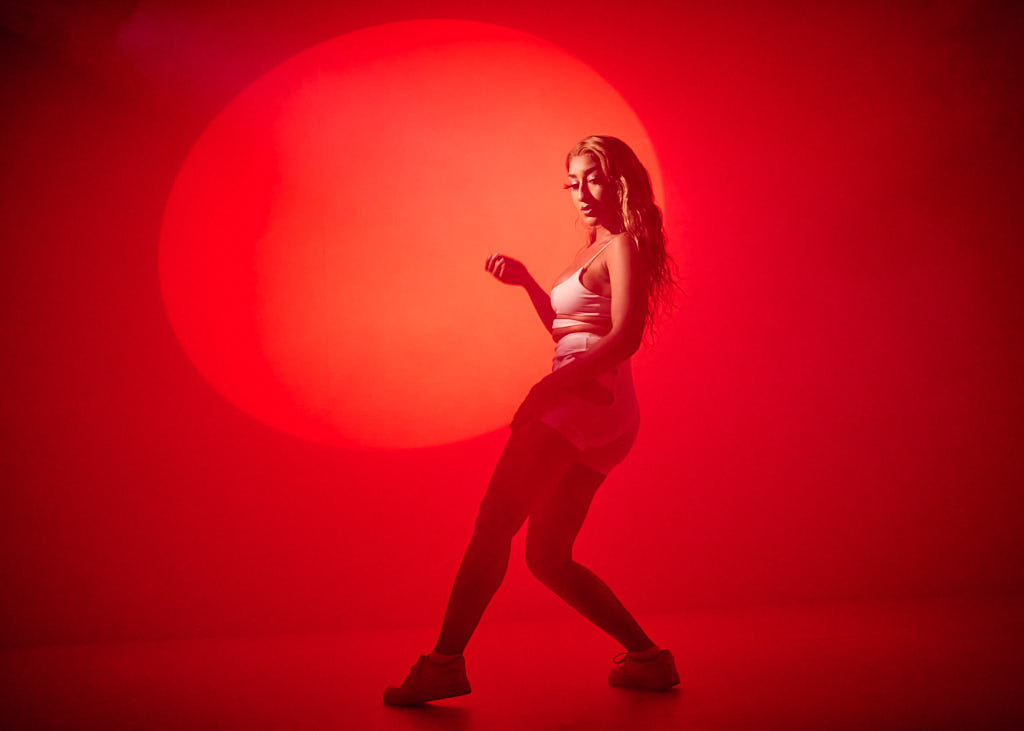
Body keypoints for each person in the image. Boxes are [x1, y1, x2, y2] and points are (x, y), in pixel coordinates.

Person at [383, 135, 679, 706]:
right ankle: (648, 659)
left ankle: (443, 665)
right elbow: (571, 332)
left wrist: (549, 387)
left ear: (619, 182)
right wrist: (527, 285)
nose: (582, 193)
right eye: (572, 182)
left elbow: (625, 338)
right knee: (547, 556)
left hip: (581, 399)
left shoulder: (622, 246)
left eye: (593, 178)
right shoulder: (597, 249)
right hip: (604, 408)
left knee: (493, 524)